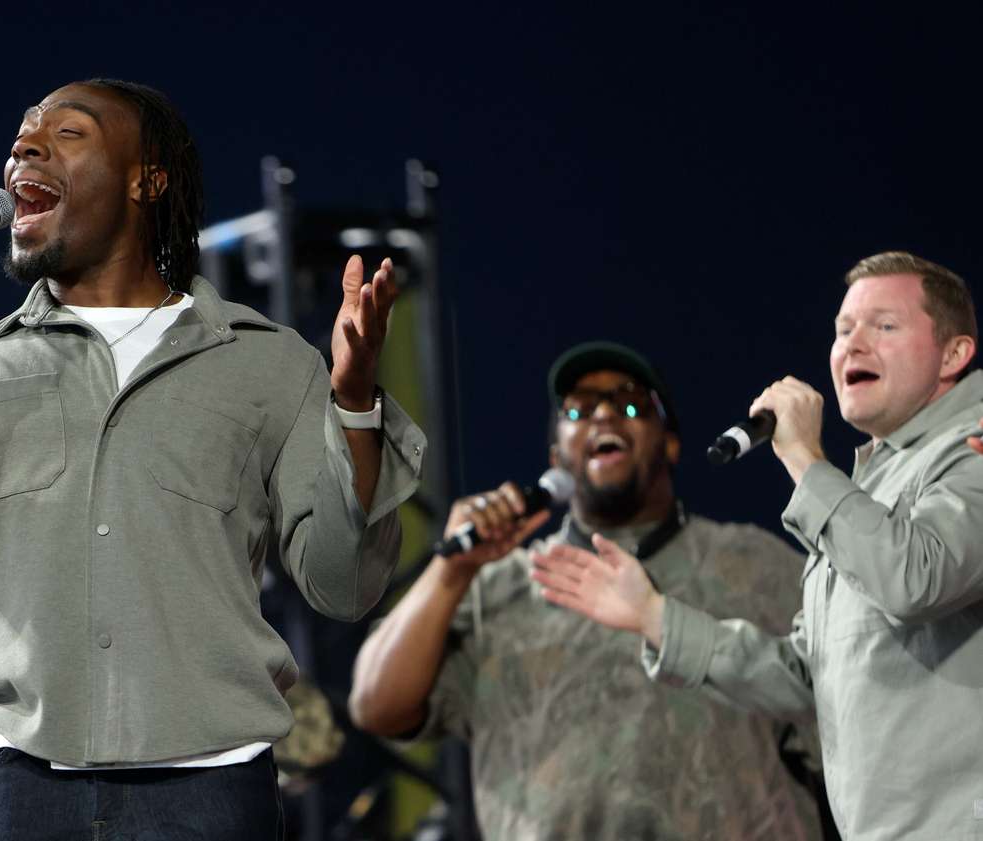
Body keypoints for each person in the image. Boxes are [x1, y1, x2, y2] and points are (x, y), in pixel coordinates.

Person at [0, 78, 424, 839]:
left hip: (213, 799)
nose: (25, 146)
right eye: (21, 135)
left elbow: (345, 583)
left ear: (149, 178)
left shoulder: (269, 363)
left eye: (68, 133)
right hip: (24, 798)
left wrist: (352, 399)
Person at [537, 252, 983, 840]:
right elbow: (809, 671)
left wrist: (804, 460)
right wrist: (655, 617)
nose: (853, 345)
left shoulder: (967, 452)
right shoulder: (869, 489)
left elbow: (917, 577)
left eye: (885, 326)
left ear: (954, 354)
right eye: (843, 330)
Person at [350, 341, 826, 840]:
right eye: (578, 409)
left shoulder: (757, 567)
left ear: (670, 443)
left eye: (631, 404)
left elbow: (852, 712)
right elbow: (375, 706)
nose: (604, 415)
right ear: (556, 456)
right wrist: (450, 574)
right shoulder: (498, 587)